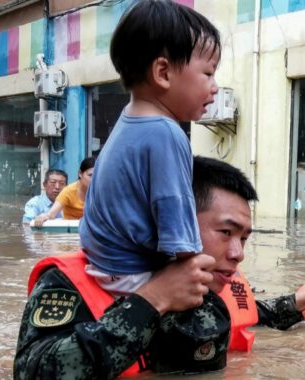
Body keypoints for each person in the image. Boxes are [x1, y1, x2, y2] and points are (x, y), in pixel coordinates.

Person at [14, 156, 305, 378]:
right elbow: (33, 371)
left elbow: (250, 314)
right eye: (226, 232)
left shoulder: (213, 281)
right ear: (172, 220)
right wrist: (152, 300)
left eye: (245, 237)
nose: (239, 253)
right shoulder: (73, 281)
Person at [78, 0, 220, 298]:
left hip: (104, 266)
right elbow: (178, 227)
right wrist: (201, 268)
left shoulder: (128, 122)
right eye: (208, 73)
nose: (215, 86)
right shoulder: (166, 132)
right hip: (134, 275)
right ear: (163, 73)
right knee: (212, 301)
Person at [34, 157, 95, 225]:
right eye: (90, 175)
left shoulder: (102, 192)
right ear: (80, 173)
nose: (94, 179)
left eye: (97, 175)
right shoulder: (68, 191)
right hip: (70, 231)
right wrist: (43, 217)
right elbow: (52, 214)